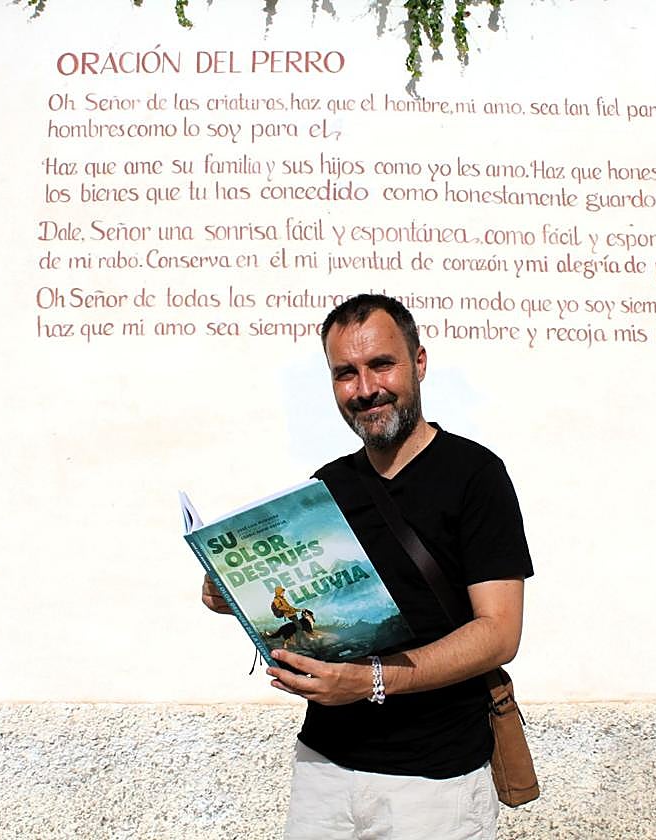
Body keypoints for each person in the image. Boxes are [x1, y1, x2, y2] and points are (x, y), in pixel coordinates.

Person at [201, 294, 533, 839]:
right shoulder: (328, 484)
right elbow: (309, 604)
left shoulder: (476, 475)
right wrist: (235, 591)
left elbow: (499, 634)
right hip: (323, 766)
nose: (365, 389)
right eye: (345, 374)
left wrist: (371, 682)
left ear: (419, 362)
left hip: (434, 783)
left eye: (382, 364)